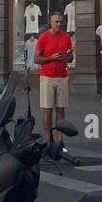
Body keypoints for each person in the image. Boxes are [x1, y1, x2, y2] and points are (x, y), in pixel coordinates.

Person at [33, 12, 74, 147]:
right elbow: (36, 59)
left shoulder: (66, 37)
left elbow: (70, 57)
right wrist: (52, 58)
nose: (59, 24)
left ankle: (59, 139)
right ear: (50, 22)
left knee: (61, 109)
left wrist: (68, 57)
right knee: (47, 110)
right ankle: (48, 139)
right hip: (47, 77)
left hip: (62, 77)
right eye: (56, 22)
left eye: (60, 22)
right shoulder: (44, 37)